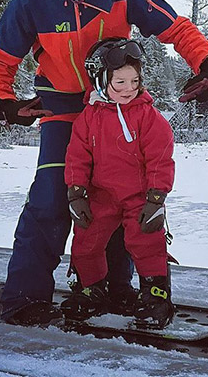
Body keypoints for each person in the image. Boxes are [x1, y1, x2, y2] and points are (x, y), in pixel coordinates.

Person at [0, 0, 208, 326]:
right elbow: (0, 61)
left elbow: (175, 28)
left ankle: (114, 287)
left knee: (119, 195)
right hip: (61, 108)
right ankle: (25, 297)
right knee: (52, 197)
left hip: (113, 107)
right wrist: (3, 101)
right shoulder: (31, 2)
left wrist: (206, 61)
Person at [61, 38, 175, 329]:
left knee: (145, 239)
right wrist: (76, 193)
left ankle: (156, 295)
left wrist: (156, 199)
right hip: (101, 195)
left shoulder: (148, 117)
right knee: (86, 239)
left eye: (134, 81)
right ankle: (92, 289)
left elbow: (160, 158)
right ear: (101, 80)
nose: (128, 89)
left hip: (139, 196)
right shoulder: (89, 117)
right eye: (120, 82)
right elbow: (77, 155)